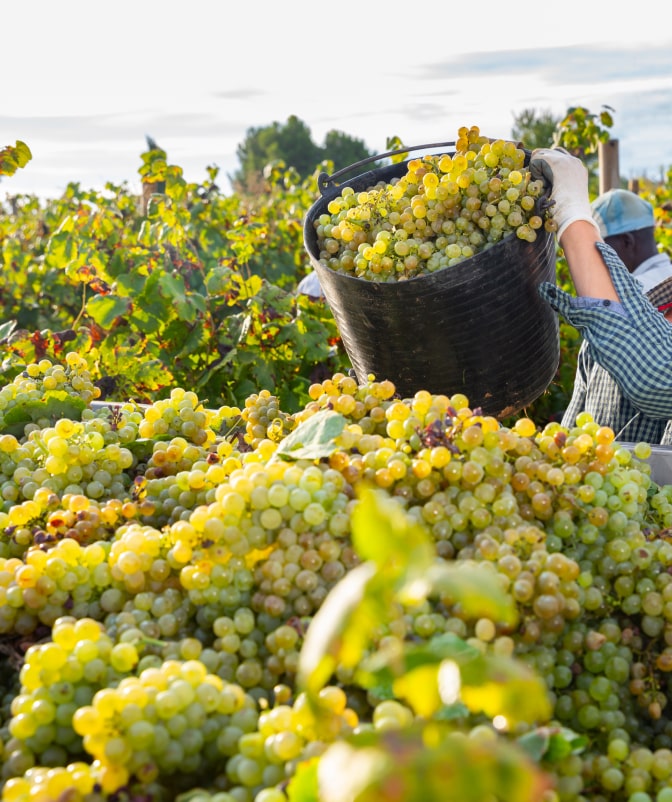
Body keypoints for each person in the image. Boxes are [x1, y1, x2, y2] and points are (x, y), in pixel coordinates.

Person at [529, 147, 672, 445]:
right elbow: (576, 416)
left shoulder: (621, 303)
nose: (590, 260)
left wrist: (573, 216)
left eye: (600, 241)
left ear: (627, 242)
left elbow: (656, 380)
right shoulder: (602, 316)